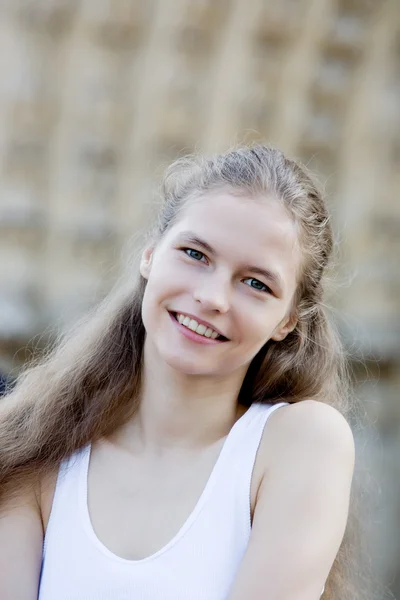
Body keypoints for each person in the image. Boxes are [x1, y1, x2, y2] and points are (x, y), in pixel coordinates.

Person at [0, 145, 365, 599]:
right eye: (195, 254)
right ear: (151, 255)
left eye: (256, 283)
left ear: (287, 320)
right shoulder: (32, 445)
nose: (213, 296)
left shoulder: (299, 444)